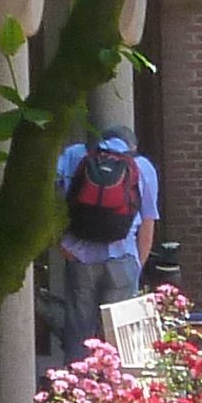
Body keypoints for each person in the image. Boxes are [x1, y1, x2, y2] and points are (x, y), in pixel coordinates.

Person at [49, 122, 156, 365]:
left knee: (79, 330)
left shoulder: (76, 155)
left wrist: (61, 244)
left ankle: (77, 388)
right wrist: (137, 264)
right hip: (122, 257)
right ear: (132, 145)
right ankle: (114, 394)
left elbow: (50, 199)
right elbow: (148, 221)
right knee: (120, 337)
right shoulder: (143, 166)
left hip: (80, 258)